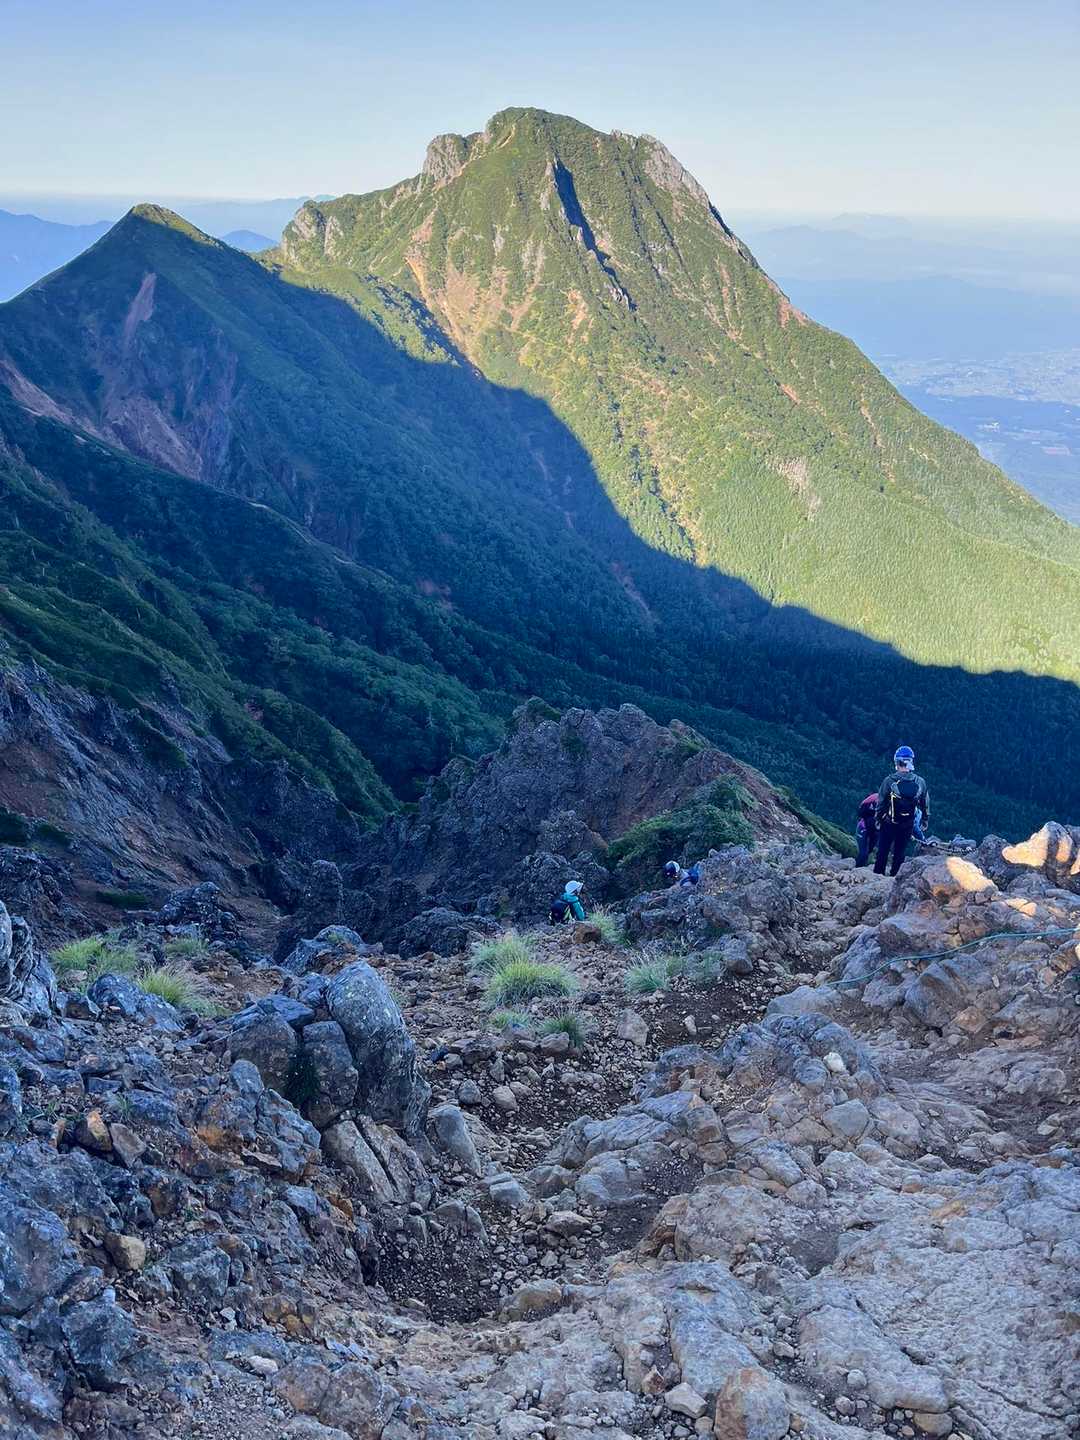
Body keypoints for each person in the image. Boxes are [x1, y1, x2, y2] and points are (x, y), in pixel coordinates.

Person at [874, 746, 929, 877]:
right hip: (907, 823)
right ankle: (895, 877)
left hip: (889, 822)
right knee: (900, 852)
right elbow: (925, 803)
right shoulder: (920, 781)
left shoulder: (889, 781)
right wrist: (925, 819)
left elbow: (880, 802)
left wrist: (878, 819)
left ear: (897, 762)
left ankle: (877, 876)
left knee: (883, 850)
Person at [855, 793, 879, 868]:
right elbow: (860, 811)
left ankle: (859, 867)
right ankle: (857, 869)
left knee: (869, 851)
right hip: (863, 828)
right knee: (863, 853)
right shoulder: (874, 798)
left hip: (874, 831)